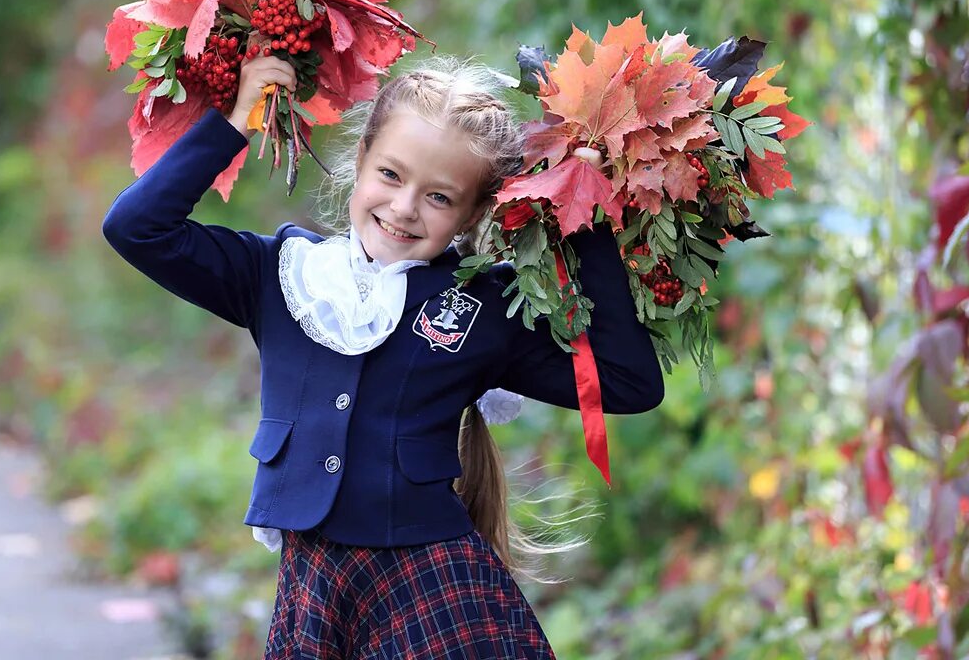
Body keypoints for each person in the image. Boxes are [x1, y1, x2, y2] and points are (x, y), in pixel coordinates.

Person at [101, 53, 665, 659]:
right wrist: (238, 119)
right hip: (315, 590)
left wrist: (590, 218)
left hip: (437, 590)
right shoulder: (283, 276)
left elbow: (629, 385)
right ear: (363, 156)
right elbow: (136, 227)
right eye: (391, 175)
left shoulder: (486, 305)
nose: (404, 208)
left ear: (474, 214)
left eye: (439, 197)